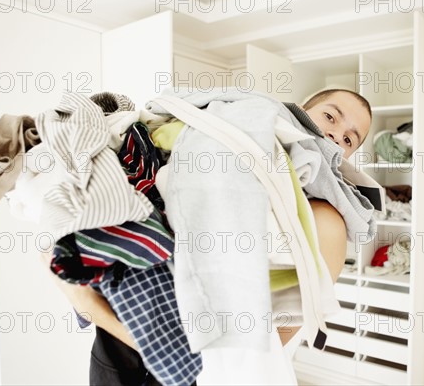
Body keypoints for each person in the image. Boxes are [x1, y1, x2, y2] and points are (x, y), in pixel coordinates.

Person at [46, 88, 373, 385]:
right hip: (121, 340)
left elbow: (285, 327)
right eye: (330, 117)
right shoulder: (214, 139)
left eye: (348, 140)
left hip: (206, 368)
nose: (334, 134)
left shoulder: (326, 221)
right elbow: (73, 213)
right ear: (299, 111)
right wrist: (85, 301)